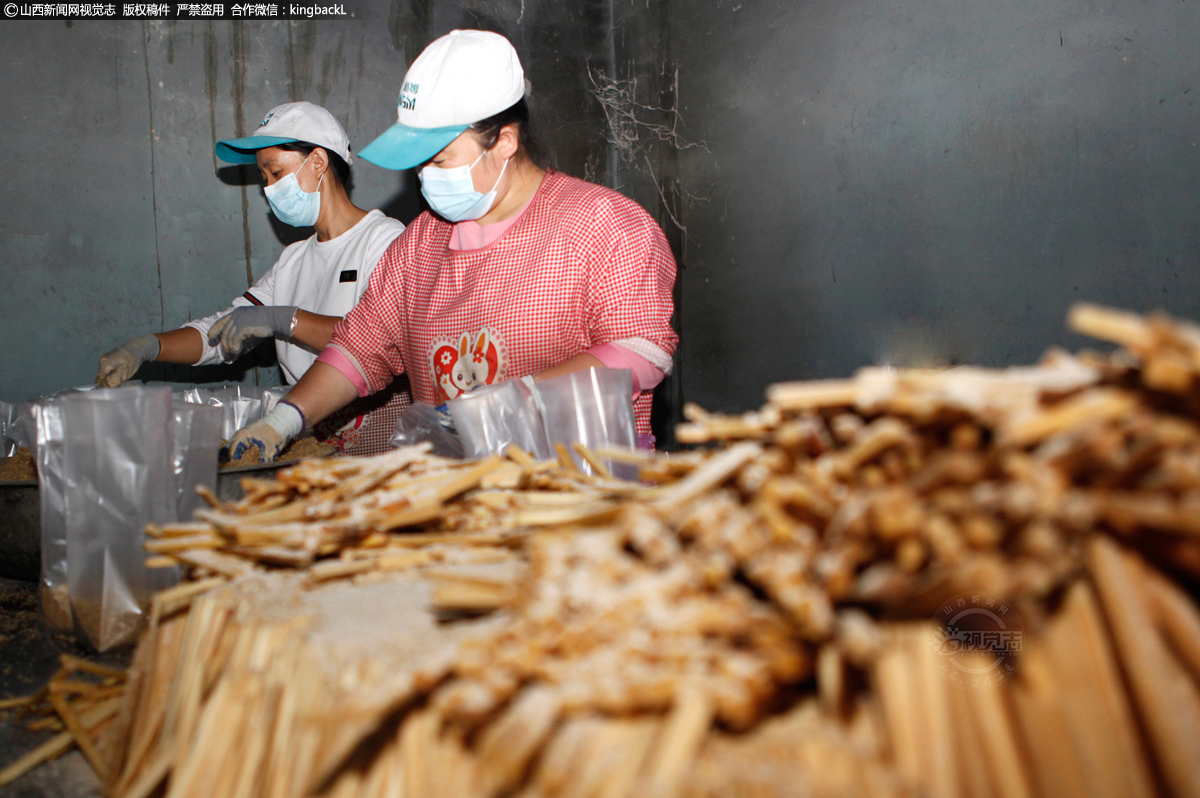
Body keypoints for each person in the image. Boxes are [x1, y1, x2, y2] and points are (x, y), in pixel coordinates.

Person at [225, 30, 677, 461]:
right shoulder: (421, 243)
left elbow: (640, 350)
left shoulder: (602, 224)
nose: (426, 178)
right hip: (461, 498)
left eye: (440, 160)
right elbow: (359, 347)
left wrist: (513, 400)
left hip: (580, 489)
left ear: (504, 142)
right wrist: (284, 420)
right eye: (419, 164)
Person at [96, 101, 410, 455]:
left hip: (377, 432)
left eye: (275, 173)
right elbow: (225, 329)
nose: (268, 189)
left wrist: (284, 320)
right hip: (306, 431)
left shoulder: (385, 240)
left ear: (318, 162)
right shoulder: (293, 259)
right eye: (264, 179)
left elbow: (381, 339)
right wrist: (147, 347)